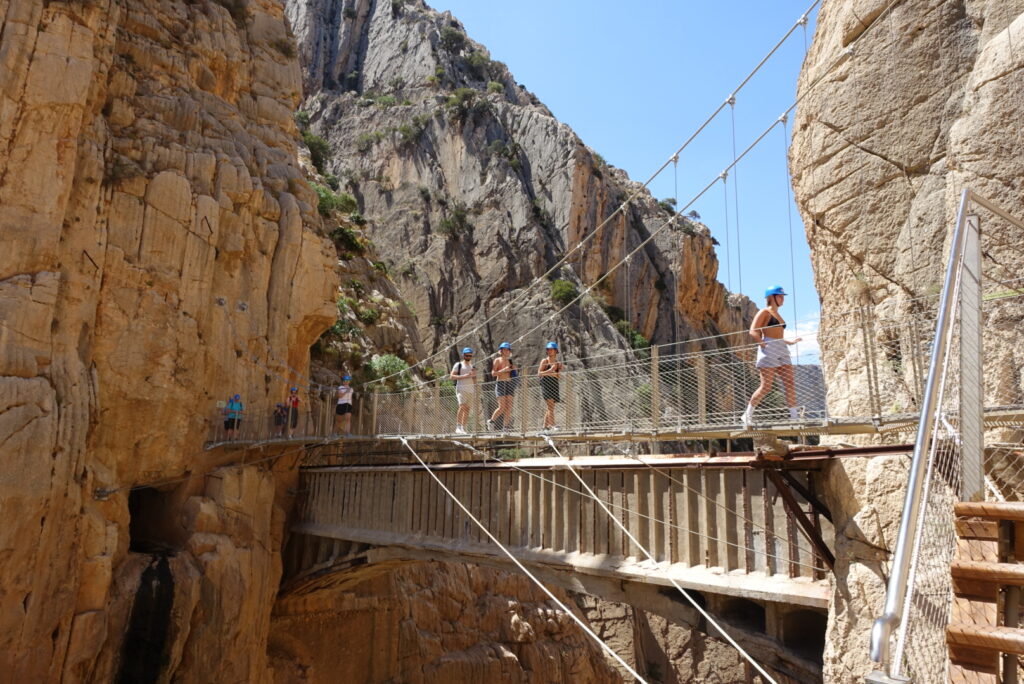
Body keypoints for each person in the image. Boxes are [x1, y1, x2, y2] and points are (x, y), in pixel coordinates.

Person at [742, 286, 803, 428]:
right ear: (772, 297)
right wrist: (763, 345)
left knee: (789, 383)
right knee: (766, 386)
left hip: (781, 348)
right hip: (769, 347)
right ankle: (747, 414)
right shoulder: (765, 312)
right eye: (780, 296)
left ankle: (794, 418)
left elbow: (778, 335)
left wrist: (790, 342)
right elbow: (753, 331)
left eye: (783, 296)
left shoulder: (778, 314)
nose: (783, 299)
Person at [488, 342, 516, 431]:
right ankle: (491, 421)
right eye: (505, 349)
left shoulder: (510, 361)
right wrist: (503, 370)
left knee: (509, 406)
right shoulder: (497, 360)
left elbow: (514, 374)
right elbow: (493, 373)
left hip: (509, 384)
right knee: (502, 406)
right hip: (500, 383)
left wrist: (513, 370)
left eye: (508, 349)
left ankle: (505, 427)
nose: (507, 351)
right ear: (501, 351)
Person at [451, 347, 477, 434]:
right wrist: (464, 376)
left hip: (471, 390)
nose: (468, 357)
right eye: (467, 355)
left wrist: (474, 376)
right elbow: (452, 376)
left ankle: (463, 428)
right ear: (463, 355)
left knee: (467, 409)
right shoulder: (458, 365)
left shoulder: (472, 366)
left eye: (470, 355)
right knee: (462, 406)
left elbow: (474, 380)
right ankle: (458, 427)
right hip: (461, 389)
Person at [538, 341, 563, 431]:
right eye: (548, 349)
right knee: (550, 405)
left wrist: (552, 372)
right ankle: (553, 425)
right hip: (546, 385)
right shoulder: (544, 361)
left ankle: (544, 427)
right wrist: (551, 371)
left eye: (551, 349)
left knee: (551, 407)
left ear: (556, 351)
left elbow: (558, 375)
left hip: (554, 384)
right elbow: (539, 373)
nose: (549, 351)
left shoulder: (558, 363)